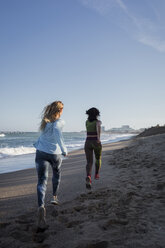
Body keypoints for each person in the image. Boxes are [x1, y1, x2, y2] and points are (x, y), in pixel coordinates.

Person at [34, 100, 67, 229]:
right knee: (56, 174)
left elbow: (43, 135)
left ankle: (41, 206)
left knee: (41, 180)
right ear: (59, 110)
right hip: (55, 154)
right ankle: (54, 197)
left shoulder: (44, 121)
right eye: (62, 109)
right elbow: (58, 134)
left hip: (41, 152)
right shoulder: (60, 122)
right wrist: (64, 150)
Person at [84, 107, 102, 189]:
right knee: (98, 159)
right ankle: (97, 174)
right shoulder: (98, 122)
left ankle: (89, 176)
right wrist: (98, 139)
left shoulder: (86, 122)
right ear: (97, 114)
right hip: (95, 142)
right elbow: (98, 131)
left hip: (87, 142)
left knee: (89, 162)